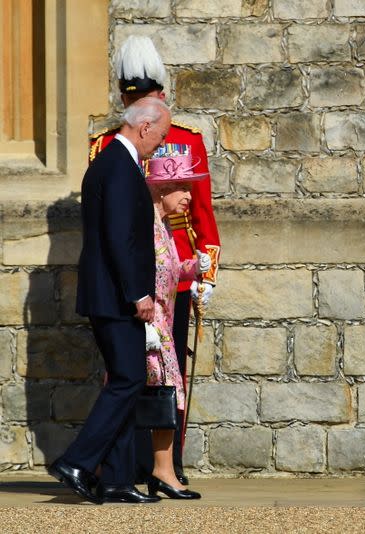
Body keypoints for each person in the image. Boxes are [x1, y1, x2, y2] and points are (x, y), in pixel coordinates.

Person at [90, 35, 221, 485]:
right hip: (130, 278)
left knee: (168, 374)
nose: (142, 103)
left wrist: (208, 272)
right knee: (125, 372)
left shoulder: (185, 139)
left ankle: (167, 465)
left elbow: (201, 211)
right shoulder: (105, 145)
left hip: (177, 273)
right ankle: (124, 467)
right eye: (134, 97)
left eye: (147, 95)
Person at [48, 97, 171, 504]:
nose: (161, 144)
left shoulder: (113, 161)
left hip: (110, 293)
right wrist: (138, 293)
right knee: (128, 380)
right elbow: (121, 237)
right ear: (145, 127)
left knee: (127, 380)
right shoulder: (119, 165)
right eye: (162, 136)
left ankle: (117, 480)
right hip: (117, 296)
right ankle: (78, 461)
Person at [142, 147, 209, 500]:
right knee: (142, 395)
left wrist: (193, 270)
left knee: (165, 394)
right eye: (181, 187)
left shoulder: (164, 227)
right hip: (146, 328)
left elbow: (167, 272)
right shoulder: (146, 226)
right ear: (160, 190)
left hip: (161, 327)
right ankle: (102, 467)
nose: (188, 196)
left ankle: (163, 470)